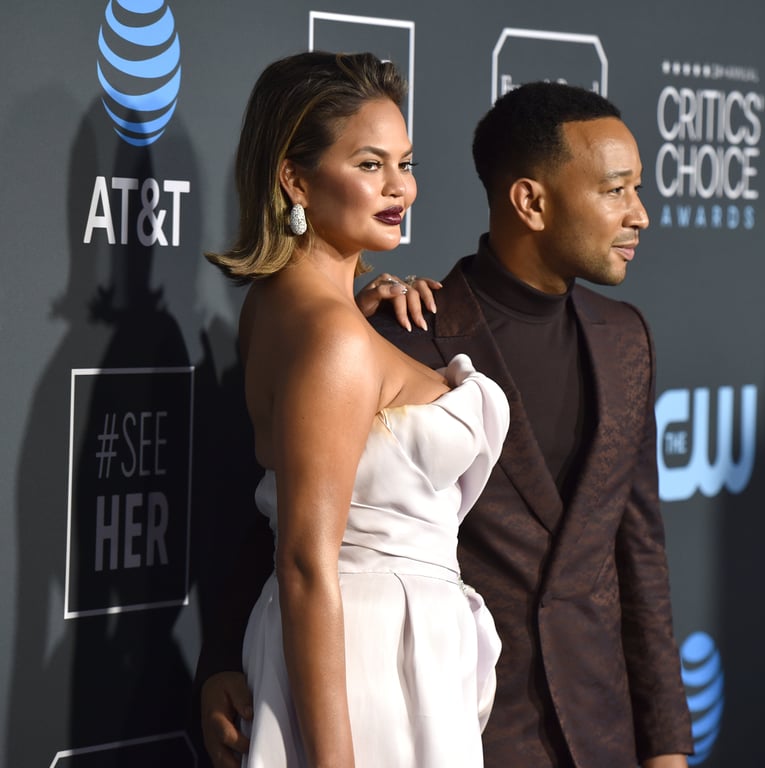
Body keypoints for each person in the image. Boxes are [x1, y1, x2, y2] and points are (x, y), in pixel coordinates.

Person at [199, 80, 693, 767]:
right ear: (531, 201)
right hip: (437, 714)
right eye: (616, 190)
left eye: (405, 164)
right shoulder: (399, 330)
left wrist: (667, 748)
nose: (639, 214)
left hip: (598, 731)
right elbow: (289, 517)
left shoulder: (625, 340)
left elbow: (639, 558)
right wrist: (221, 658)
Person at [202, 51, 510, 768]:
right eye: (369, 165)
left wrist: (362, 328)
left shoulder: (284, 311)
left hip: (363, 649)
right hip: (369, 663)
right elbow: (307, 563)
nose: (400, 187)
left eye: (404, 162)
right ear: (295, 177)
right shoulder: (335, 339)